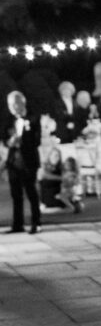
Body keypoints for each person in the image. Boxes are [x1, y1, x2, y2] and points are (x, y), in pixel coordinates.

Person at [2, 91, 42, 234]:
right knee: (15, 194)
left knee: (31, 192)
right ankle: (17, 224)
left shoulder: (33, 118)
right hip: (14, 162)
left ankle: (36, 222)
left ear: (21, 103)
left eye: (13, 104)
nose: (11, 108)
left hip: (29, 160)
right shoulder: (9, 120)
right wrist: (10, 142)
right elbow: (4, 138)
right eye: (9, 105)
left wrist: (23, 141)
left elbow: (37, 141)